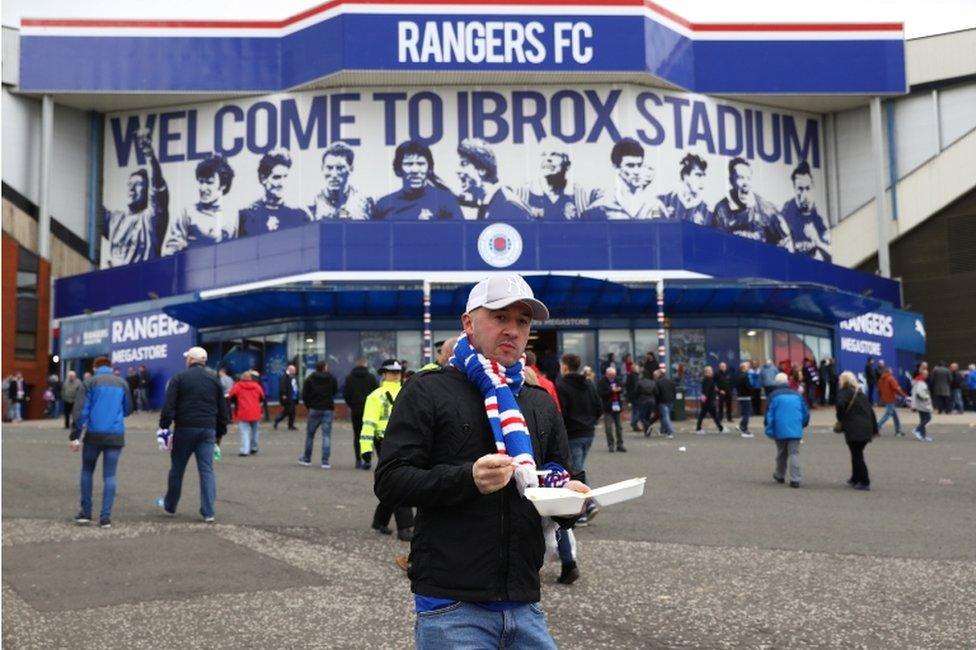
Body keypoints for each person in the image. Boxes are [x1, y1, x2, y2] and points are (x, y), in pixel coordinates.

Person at [374, 274, 586, 649]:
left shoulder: (538, 401)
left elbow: (563, 478)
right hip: (451, 605)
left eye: (522, 321)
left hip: (524, 600)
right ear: (468, 323)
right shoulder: (427, 389)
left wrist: (573, 499)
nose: (513, 330)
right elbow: (391, 480)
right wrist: (467, 479)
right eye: (500, 317)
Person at [156, 346, 228, 523]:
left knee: (177, 469)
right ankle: (208, 511)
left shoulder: (179, 378)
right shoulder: (214, 379)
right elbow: (223, 410)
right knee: (207, 470)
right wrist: (220, 433)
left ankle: (170, 504)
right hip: (208, 429)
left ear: (189, 360)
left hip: (185, 428)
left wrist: (164, 427)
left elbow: (169, 405)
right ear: (204, 361)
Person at [70, 356, 133, 528]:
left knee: (87, 471)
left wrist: (75, 435)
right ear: (110, 367)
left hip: (94, 435)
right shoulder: (122, 383)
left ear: (95, 366)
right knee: (110, 476)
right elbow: (128, 409)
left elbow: (81, 411)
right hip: (115, 434)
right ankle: (105, 517)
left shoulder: (89, 382)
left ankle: (86, 513)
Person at [360, 359, 414, 540]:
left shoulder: (407, 391)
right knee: (400, 481)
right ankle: (405, 527)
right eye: (392, 372)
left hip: (406, 441)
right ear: (383, 374)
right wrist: (365, 449)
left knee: (392, 481)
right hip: (384, 442)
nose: (396, 375)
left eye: (398, 372)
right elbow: (368, 424)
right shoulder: (375, 396)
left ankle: (380, 520)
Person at [102, 128, 170, 266]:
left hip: (144, 282)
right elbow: (94, 211)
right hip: (116, 283)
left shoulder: (152, 219)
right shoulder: (116, 220)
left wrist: (149, 154)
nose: (131, 189)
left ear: (147, 191)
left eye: (138, 184)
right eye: (129, 184)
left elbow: (157, 185)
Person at [712, 158, 793, 251]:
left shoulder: (766, 209)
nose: (745, 183)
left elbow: (787, 243)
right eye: (741, 177)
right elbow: (717, 247)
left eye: (748, 178)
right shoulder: (721, 210)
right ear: (731, 181)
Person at [161, 155, 237, 254]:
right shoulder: (188, 212)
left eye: (209, 183)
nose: (203, 188)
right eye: (201, 182)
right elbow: (171, 251)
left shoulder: (233, 216)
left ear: (223, 185)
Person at [372, 140, 462, 220]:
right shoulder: (384, 204)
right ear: (398, 169)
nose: (415, 170)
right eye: (408, 164)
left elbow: (461, 236)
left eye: (421, 164)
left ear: (429, 168)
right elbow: (373, 237)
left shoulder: (445, 200)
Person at [582, 138, 666, 220]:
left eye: (639, 165)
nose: (636, 171)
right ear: (616, 167)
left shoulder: (655, 206)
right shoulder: (602, 206)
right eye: (630, 165)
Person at [516, 137, 598, 220]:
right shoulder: (525, 192)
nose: (547, 159)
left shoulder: (580, 193)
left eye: (554, 154)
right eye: (544, 154)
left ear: (567, 165)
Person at [238, 148, 309, 236]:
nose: (282, 183)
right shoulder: (248, 215)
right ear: (263, 179)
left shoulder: (299, 214)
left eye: (285, 177)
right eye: (276, 177)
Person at [456, 138, 532, 220]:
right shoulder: (491, 203)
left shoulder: (507, 205)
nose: (458, 170)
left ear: (482, 169)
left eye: (464, 164)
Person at [764, 372, 809, 488]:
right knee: (794, 453)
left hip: (780, 428)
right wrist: (803, 423)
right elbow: (805, 412)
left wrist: (768, 426)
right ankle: (795, 479)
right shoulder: (797, 395)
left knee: (781, 453)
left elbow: (769, 414)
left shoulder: (773, 396)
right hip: (795, 427)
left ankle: (780, 474)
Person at [309, 141, 374, 220]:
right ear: (322, 168)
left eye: (340, 168)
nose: (334, 174)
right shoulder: (313, 203)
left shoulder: (364, 202)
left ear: (350, 169)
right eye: (329, 168)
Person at [835, 371, 878, 491]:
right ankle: (855, 477)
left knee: (857, 454)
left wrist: (840, 418)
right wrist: (875, 429)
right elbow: (871, 412)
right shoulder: (860, 393)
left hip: (854, 428)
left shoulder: (844, 392)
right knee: (856, 452)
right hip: (866, 427)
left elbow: (840, 404)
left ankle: (864, 481)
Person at [781, 161, 831, 261]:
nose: (804, 195)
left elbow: (835, 252)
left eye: (808, 188)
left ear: (812, 187)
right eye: (800, 189)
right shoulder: (786, 213)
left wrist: (818, 241)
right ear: (794, 188)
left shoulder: (820, 214)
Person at [300, 360, 339, 468]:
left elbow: (304, 394)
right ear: (325, 367)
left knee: (310, 435)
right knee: (326, 435)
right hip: (327, 409)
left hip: (314, 408)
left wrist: (309, 406)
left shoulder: (310, 379)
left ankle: (307, 459)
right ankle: (325, 461)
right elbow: (335, 391)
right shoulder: (331, 378)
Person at [342, 358, 380, 470]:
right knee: (370, 435)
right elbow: (377, 393)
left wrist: (352, 404)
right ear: (365, 364)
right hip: (370, 410)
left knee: (357, 435)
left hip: (356, 409)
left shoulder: (349, 378)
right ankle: (367, 459)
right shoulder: (371, 377)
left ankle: (358, 460)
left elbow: (346, 394)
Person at [658, 153, 711, 225]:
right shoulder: (664, 200)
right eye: (698, 175)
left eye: (703, 176)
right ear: (685, 176)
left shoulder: (706, 211)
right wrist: (662, 217)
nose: (702, 180)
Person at [227, 370, 265, 457]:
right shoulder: (257, 386)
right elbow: (262, 398)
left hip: (243, 411)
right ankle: (254, 447)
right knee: (255, 431)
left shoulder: (238, 386)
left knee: (244, 432)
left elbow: (231, 396)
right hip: (255, 411)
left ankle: (244, 450)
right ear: (251, 378)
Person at [597, 366, 625, 453]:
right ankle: (611, 444)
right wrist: (611, 391)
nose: (613, 376)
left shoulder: (617, 380)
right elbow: (600, 393)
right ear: (607, 374)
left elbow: (622, 389)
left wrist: (619, 390)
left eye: (614, 375)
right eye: (611, 375)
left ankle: (620, 444)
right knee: (608, 428)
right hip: (608, 407)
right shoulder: (602, 382)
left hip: (617, 406)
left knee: (619, 427)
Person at [695, 366, 728, 434]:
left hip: (706, 400)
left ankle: (698, 428)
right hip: (709, 401)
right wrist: (705, 397)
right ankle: (721, 428)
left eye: (711, 370)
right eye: (710, 371)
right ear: (707, 372)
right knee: (714, 415)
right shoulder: (708, 379)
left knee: (703, 414)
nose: (712, 372)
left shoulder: (707, 379)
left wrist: (719, 391)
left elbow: (713, 388)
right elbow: (706, 390)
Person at [877, 366, 907, 436]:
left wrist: (881, 397)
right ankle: (876, 428)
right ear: (889, 371)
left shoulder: (881, 379)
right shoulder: (891, 378)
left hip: (885, 398)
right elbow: (896, 389)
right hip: (891, 398)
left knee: (895, 415)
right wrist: (904, 395)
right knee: (887, 414)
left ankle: (898, 430)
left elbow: (879, 390)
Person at [273, 364, 300, 430]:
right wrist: (284, 395)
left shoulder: (294, 377)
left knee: (292, 412)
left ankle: (291, 425)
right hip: (288, 397)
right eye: (293, 370)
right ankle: (277, 420)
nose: (295, 371)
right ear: (290, 370)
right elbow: (283, 386)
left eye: (295, 370)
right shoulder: (285, 377)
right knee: (287, 411)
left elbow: (295, 385)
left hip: (294, 397)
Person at [652, 369, 677, 439]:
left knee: (665, 417)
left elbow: (656, 393)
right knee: (665, 416)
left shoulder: (657, 382)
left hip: (662, 401)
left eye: (655, 375)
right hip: (670, 401)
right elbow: (674, 390)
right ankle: (662, 430)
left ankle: (670, 431)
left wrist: (656, 402)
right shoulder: (669, 381)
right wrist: (673, 398)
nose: (654, 377)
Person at [911, 368, 934, 442]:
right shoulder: (920, 382)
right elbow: (919, 393)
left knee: (923, 419)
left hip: (919, 404)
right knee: (928, 418)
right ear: (922, 374)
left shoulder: (918, 381)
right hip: (923, 404)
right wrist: (925, 397)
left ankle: (922, 435)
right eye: (925, 374)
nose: (927, 376)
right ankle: (917, 430)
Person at [734, 362, 755, 437]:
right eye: (747, 367)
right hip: (746, 396)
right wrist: (751, 391)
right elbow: (748, 386)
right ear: (744, 368)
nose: (748, 368)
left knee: (744, 413)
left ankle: (741, 426)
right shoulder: (745, 376)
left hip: (740, 396)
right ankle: (744, 429)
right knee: (747, 413)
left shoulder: (738, 376)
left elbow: (736, 386)